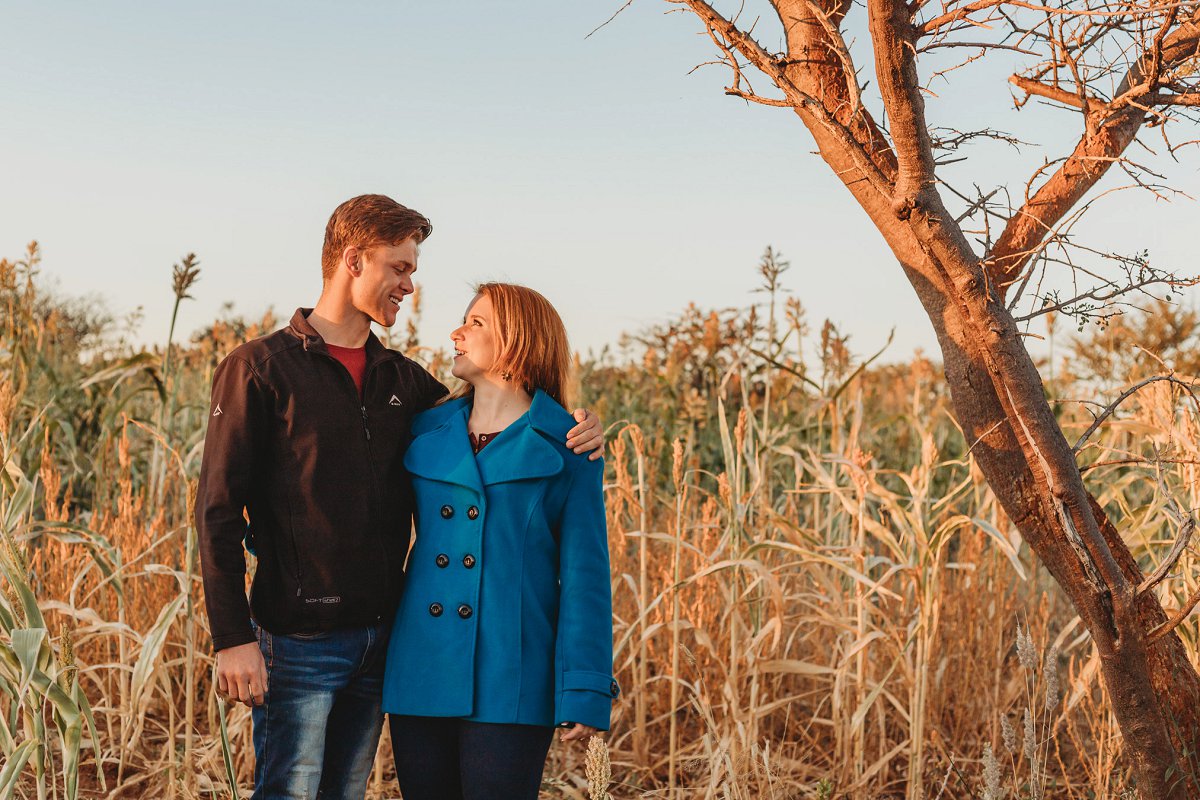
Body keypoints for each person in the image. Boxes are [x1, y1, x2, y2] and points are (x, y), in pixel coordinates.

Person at [195, 195, 604, 800]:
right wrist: (233, 636)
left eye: (412, 270)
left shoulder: (407, 384)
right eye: (401, 267)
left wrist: (574, 425)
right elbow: (218, 511)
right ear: (354, 260)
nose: (410, 286)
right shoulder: (261, 369)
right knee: (290, 791)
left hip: (384, 643)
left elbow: (498, 417)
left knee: (345, 791)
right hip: (303, 637)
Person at [382, 282, 618, 800]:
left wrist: (584, 686)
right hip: (421, 666)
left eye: (476, 323)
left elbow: (585, 578)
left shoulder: (568, 444)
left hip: (512, 675)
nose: (457, 333)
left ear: (518, 341)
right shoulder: (423, 428)